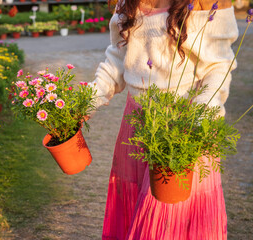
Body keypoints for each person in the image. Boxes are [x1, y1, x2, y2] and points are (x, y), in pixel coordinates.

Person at [92, 0, 238, 239]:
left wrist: (199, 117)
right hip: (137, 125)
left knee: (168, 218)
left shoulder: (203, 3)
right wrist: (87, 100)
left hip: (184, 125)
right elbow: (118, 60)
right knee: (140, 211)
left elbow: (218, 67)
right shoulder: (128, 4)